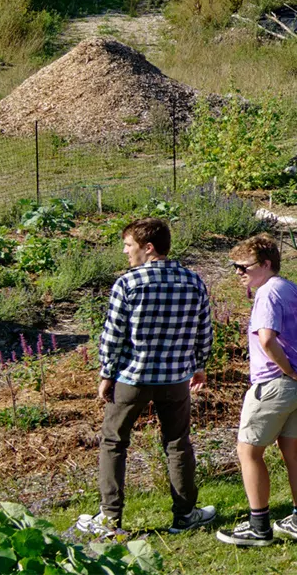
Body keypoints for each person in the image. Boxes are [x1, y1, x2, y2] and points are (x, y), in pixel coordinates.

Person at [78, 218, 216, 538]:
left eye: (129, 246)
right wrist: (198, 365)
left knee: (114, 442)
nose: (126, 252)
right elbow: (204, 332)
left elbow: (113, 337)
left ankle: (110, 518)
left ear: (148, 248)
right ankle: (184, 515)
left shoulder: (127, 284)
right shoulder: (193, 281)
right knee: (177, 443)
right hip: (175, 380)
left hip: (133, 378)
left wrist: (106, 373)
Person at [217, 235, 297, 547]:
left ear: (265, 264)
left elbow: (266, 339)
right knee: (294, 452)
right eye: (235, 268)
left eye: (243, 267)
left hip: (275, 384)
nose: (238, 273)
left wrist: (286, 370)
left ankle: (258, 525)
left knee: (248, 452)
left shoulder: (268, 292)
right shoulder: (293, 290)